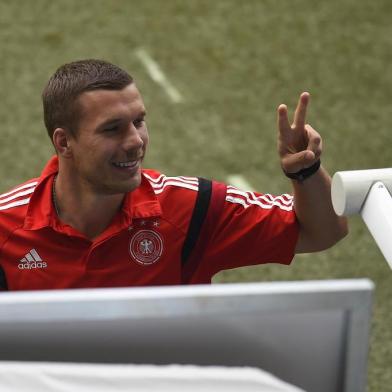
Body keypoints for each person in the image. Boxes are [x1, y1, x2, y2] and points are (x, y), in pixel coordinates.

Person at [0, 59, 347, 290]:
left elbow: (323, 232)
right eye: (113, 129)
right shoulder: (5, 227)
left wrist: (306, 171)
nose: (135, 142)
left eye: (139, 121)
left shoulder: (192, 208)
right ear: (64, 142)